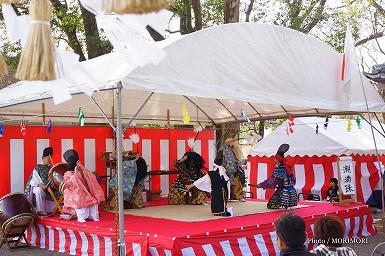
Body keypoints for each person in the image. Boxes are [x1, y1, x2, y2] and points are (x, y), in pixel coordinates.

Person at [62, 149, 105, 222]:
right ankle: (81, 217)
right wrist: (76, 172)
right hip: (74, 192)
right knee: (82, 197)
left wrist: (83, 169)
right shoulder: (67, 173)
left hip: (84, 190)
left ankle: (93, 215)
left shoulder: (80, 169)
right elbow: (71, 184)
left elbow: (90, 178)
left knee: (93, 198)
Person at [186, 150, 231, 217]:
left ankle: (219, 211)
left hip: (216, 191)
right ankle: (222, 211)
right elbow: (227, 181)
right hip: (223, 191)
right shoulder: (223, 172)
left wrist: (191, 185)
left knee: (217, 201)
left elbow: (202, 180)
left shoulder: (212, 173)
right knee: (222, 201)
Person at [256, 144, 297, 209]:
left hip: (284, 192)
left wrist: (262, 185)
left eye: (275, 158)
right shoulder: (288, 167)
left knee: (271, 205)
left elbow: (273, 181)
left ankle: (283, 204)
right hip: (292, 192)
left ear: (277, 159)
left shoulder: (280, 169)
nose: (274, 159)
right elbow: (293, 180)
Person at [24, 147, 58, 215]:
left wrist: (54, 180)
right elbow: (32, 181)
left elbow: (55, 181)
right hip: (40, 189)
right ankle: (40, 211)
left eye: (50, 158)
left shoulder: (51, 169)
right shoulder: (38, 167)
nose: (49, 160)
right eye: (47, 158)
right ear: (43, 158)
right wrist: (40, 185)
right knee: (38, 190)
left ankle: (50, 210)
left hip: (49, 190)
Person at [223, 137, 246, 201]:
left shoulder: (236, 151)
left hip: (236, 171)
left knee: (237, 185)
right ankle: (227, 197)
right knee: (227, 185)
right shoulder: (225, 150)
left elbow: (238, 162)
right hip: (226, 170)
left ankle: (239, 197)